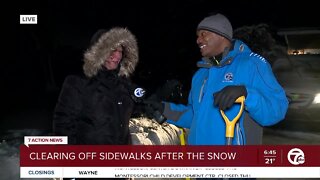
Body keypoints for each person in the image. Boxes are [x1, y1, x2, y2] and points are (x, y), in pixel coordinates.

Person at [149, 13, 289, 145]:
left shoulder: (252, 64)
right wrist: (165, 109)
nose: (198, 40)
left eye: (204, 34)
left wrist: (246, 94)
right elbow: (195, 116)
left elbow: (277, 110)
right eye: (197, 36)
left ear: (222, 35)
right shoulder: (200, 75)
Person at [53, 27, 139, 146]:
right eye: (112, 50)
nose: (117, 55)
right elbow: (63, 125)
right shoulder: (78, 82)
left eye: (120, 51)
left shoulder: (123, 83)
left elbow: (130, 114)